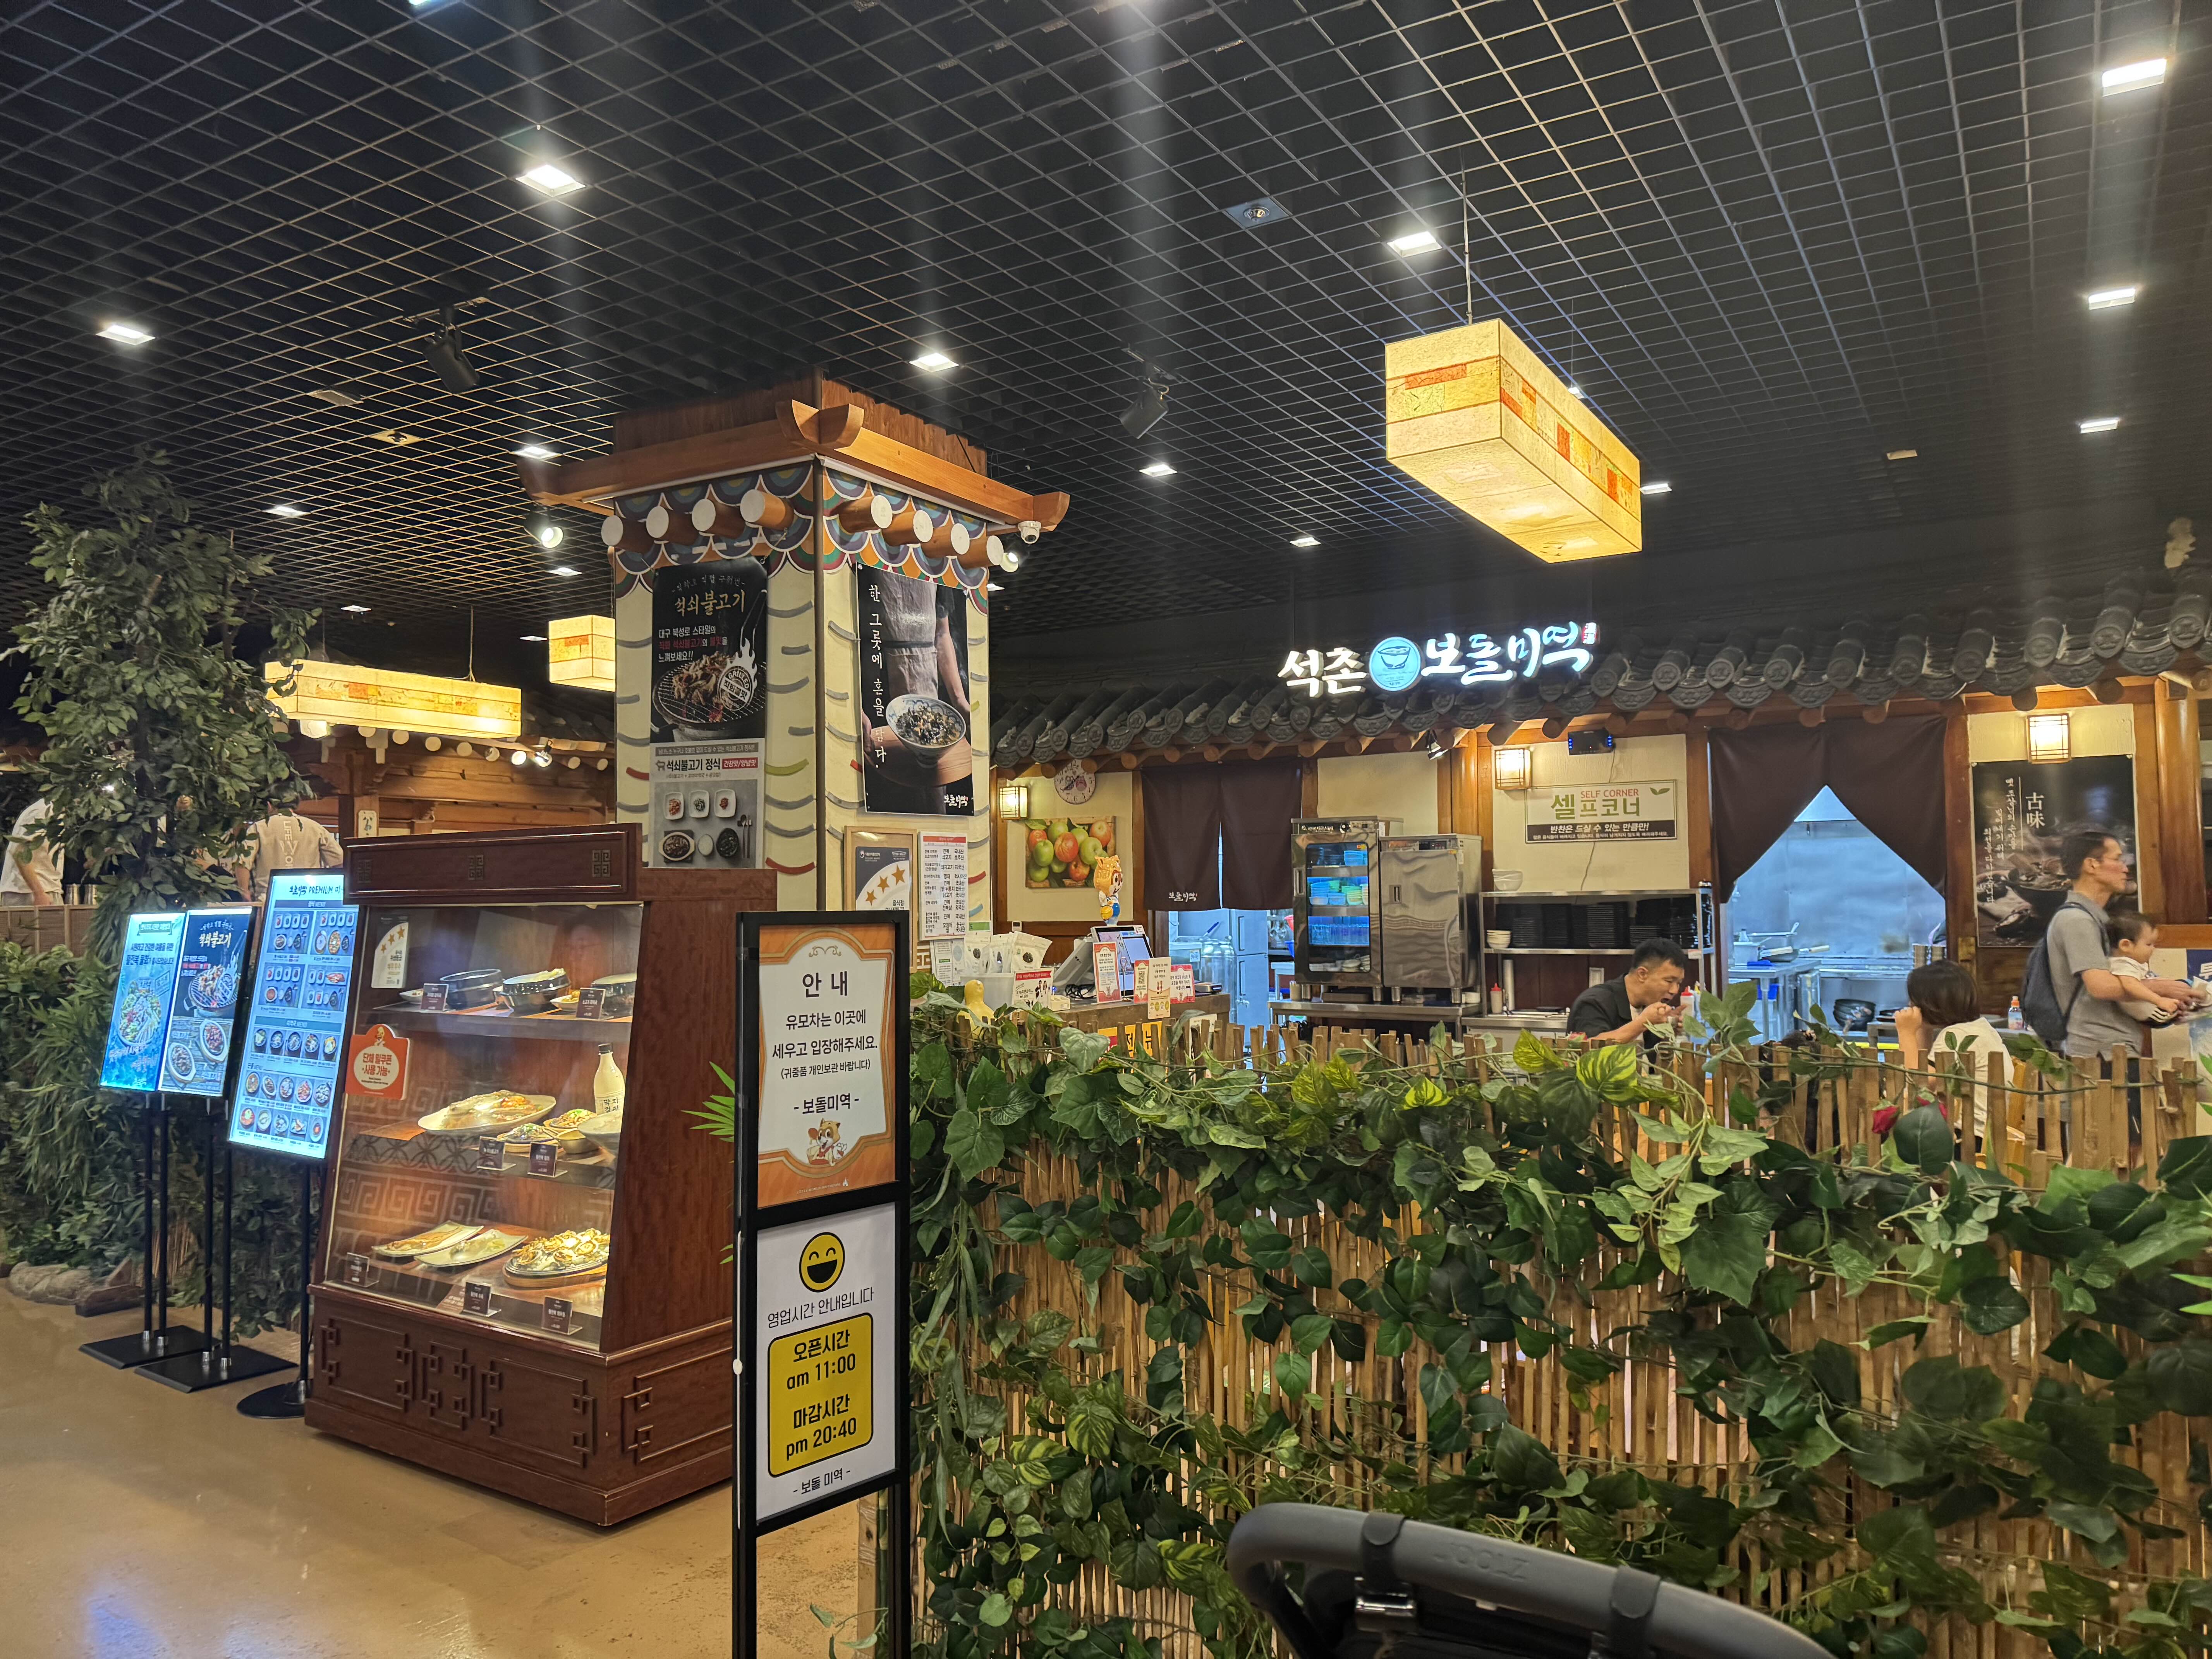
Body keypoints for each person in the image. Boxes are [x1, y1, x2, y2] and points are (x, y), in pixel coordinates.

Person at [2044, 826, 2203, 1060]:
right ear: (2092, 865)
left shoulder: (2096, 917)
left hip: (2111, 1047)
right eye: (2118, 859)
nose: (2126, 868)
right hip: (2099, 1051)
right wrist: (2160, 989)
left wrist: (2166, 998)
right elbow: (2101, 987)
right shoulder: (2077, 920)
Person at [1892, 960, 2009, 1133]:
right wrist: (1922, 1028)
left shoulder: (1956, 1035)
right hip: (1985, 1133)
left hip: (1968, 1136)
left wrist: (1906, 1033)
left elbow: (1919, 1083)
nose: (1911, 1005)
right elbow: (1927, 1070)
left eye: (1915, 1001)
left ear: (1931, 1003)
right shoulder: (1977, 1028)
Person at [1567, 938, 1689, 1047]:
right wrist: (1644, 1023)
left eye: (1679, 983)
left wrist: (1667, 1032)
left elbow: (1649, 1059)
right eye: (1669, 981)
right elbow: (1590, 1048)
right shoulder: (1594, 1003)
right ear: (1642, 974)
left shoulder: (1649, 1004)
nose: (1675, 991)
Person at [233, 796, 343, 901]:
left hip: (269, 897)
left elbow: (242, 862)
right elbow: (340, 861)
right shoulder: (315, 827)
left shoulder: (259, 827)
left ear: (269, 805)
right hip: (308, 894)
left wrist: (245, 891)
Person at [2106, 910, 2180, 1027]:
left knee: (2182, 987)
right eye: (2149, 944)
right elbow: (2131, 986)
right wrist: (2160, 1000)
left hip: (2155, 1006)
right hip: (2154, 1013)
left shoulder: (2132, 962)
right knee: (2187, 1003)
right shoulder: (2122, 964)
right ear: (2126, 946)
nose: (2153, 949)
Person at [0, 796, 58, 907]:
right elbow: (20, 853)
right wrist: (39, 893)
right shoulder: (43, 811)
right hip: (27, 892)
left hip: (48, 888)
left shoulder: (63, 815)